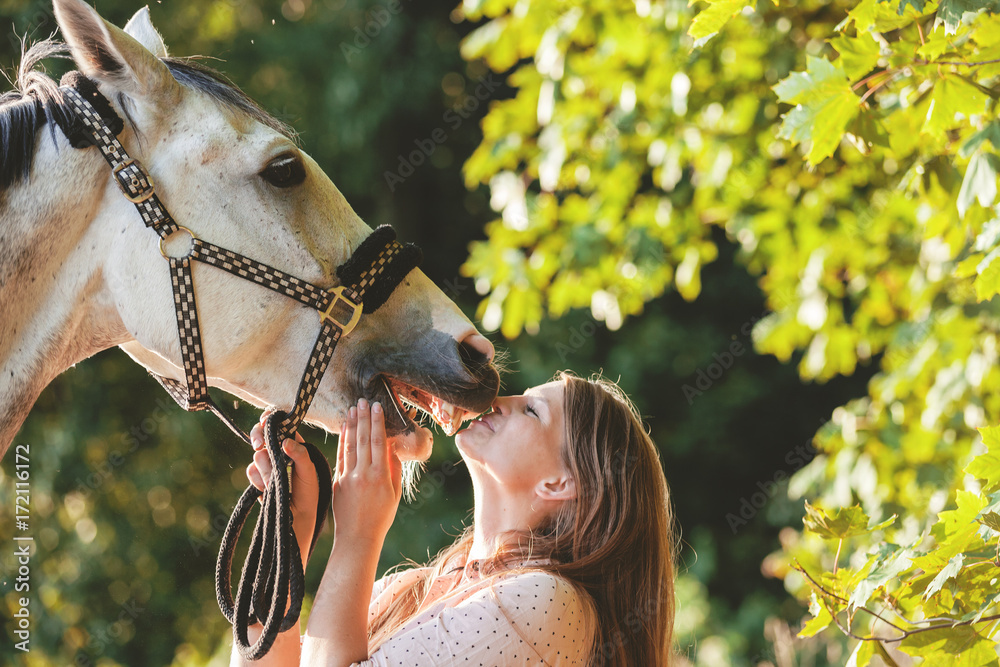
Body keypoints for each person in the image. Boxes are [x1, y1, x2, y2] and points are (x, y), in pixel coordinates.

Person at [232, 372, 677, 666]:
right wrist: (289, 527)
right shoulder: (405, 591)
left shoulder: (545, 603)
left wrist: (358, 534)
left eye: (531, 410)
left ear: (560, 484)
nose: (498, 400)